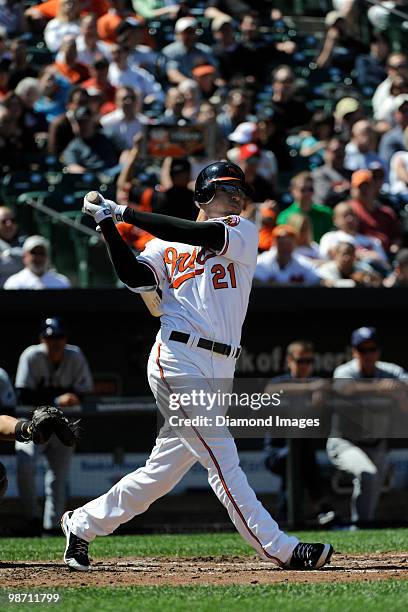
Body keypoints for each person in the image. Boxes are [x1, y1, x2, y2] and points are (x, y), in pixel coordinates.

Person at [61, 161, 333, 571]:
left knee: (162, 472)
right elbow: (136, 278)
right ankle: (281, 548)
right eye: (227, 190)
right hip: (178, 355)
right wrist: (105, 223)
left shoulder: (239, 231)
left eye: (240, 191)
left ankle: (81, 524)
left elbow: (195, 232)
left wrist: (124, 212)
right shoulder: (161, 247)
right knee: (223, 458)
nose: (237, 197)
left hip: (222, 364)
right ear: (203, 196)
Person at [15, 316, 92, 533]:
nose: (56, 342)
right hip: (32, 424)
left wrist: (73, 398)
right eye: (50, 338)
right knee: (26, 466)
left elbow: (84, 389)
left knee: (58, 478)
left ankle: (51, 527)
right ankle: (31, 519)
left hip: (62, 425)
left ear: (66, 338)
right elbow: (23, 394)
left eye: (59, 337)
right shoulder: (31, 355)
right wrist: (58, 400)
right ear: (42, 339)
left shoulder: (74, 355)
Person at [327, 327, 408, 525]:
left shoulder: (390, 371)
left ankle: (361, 531)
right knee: (367, 474)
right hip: (345, 442)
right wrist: (381, 388)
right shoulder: (345, 370)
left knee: (371, 491)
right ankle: (359, 527)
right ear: (354, 351)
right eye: (363, 349)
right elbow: (344, 387)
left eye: (372, 349)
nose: (368, 354)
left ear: (378, 351)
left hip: (376, 443)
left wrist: (399, 392)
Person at [264, 340, 336, 525]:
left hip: (303, 455)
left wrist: (320, 393)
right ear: (289, 360)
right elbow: (270, 391)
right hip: (276, 453)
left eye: (309, 361)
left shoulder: (316, 383)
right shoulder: (280, 382)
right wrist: (309, 388)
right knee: (299, 453)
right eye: (300, 361)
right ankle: (319, 505)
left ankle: (286, 519)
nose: (305, 366)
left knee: (300, 455)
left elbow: (328, 388)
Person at [319, 202, 388, 267]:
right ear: (335, 219)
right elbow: (326, 257)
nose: (350, 219)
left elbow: (384, 263)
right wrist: (361, 255)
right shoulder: (330, 238)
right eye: (345, 215)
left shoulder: (372, 241)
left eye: (353, 215)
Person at [348, 169, 401, 253]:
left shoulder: (387, 212)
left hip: (385, 257)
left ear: (374, 187)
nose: (364, 190)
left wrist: (394, 249)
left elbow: (397, 237)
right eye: (360, 187)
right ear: (352, 190)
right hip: (362, 256)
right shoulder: (348, 210)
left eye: (367, 186)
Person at [254, 225, 322, 286]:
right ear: (275, 243)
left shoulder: (302, 263)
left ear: (295, 244)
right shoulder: (262, 261)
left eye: (288, 244)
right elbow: (255, 281)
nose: (285, 248)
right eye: (282, 243)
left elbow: (317, 279)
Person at [61, 105, 121, 175]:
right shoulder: (73, 146)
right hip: (90, 180)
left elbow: (125, 151)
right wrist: (87, 173)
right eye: (80, 123)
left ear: (92, 121)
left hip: (113, 175)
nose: (83, 126)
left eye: (86, 121)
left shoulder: (108, 135)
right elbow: (72, 166)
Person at [276, 172, 333, 242]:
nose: (308, 193)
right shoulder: (284, 216)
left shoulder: (326, 213)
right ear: (293, 191)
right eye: (303, 190)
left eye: (310, 189)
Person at [162, 16, 217, 85]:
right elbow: (172, 74)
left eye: (192, 32)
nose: (190, 36)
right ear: (178, 34)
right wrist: (191, 84)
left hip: (204, 86)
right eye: (186, 32)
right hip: (180, 87)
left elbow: (215, 71)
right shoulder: (170, 52)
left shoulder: (205, 50)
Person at [4, 235, 71, 290]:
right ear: (25, 257)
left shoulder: (62, 282)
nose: (38, 258)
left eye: (42, 253)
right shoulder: (14, 283)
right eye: (34, 253)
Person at [100, 86, 146, 151]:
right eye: (124, 98)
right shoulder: (106, 122)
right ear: (116, 101)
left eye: (132, 98)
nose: (128, 101)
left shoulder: (144, 122)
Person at [312, 138, 352, 207]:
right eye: (336, 151)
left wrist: (340, 188)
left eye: (342, 151)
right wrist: (346, 189)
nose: (340, 154)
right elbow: (325, 194)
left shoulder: (350, 173)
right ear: (326, 152)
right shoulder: (318, 173)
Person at [379, 95, 408, 171]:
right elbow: (386, 166)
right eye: (403, 111)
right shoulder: (390, 137)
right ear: (395, 114)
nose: (406, 114)